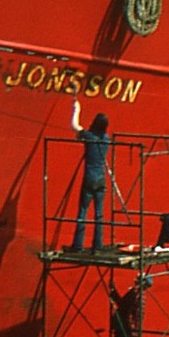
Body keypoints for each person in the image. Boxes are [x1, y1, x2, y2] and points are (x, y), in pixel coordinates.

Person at [70, 99, 111, 251]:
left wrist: (76, 110)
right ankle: (98, 245)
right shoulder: (106, 139)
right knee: (99, 213)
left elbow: (75, 126)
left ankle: (78, 245)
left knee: (83, 211)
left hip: (89, 176)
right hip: (101, 178)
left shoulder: (89, 136)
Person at [108, 273, 151, 337]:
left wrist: (113, 292)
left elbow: (123, 305)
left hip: (127, 327)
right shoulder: (138, 294)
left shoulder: (136, 294)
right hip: (128, 327)